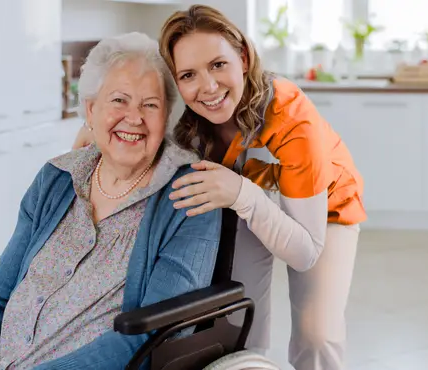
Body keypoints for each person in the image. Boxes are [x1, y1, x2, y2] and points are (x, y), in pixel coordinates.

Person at [72, 6, 367, 370]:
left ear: (242, 57)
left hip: (324, 208)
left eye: (218, 65)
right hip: (240, 196)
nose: (208, 87)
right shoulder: (185, 113)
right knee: (239, 316)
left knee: (316, 333)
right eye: (188, 74)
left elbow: (305, 252)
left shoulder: (291, 118)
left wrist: (243, 194)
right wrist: (98, 127)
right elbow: (138, 120)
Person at [0, 32, 222, 370]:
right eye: (119, 100)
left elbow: (153, 334)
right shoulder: (57, 177)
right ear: (91, 111)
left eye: (150, 105)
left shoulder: (189, 195)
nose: (134, 118)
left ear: (166, 118)